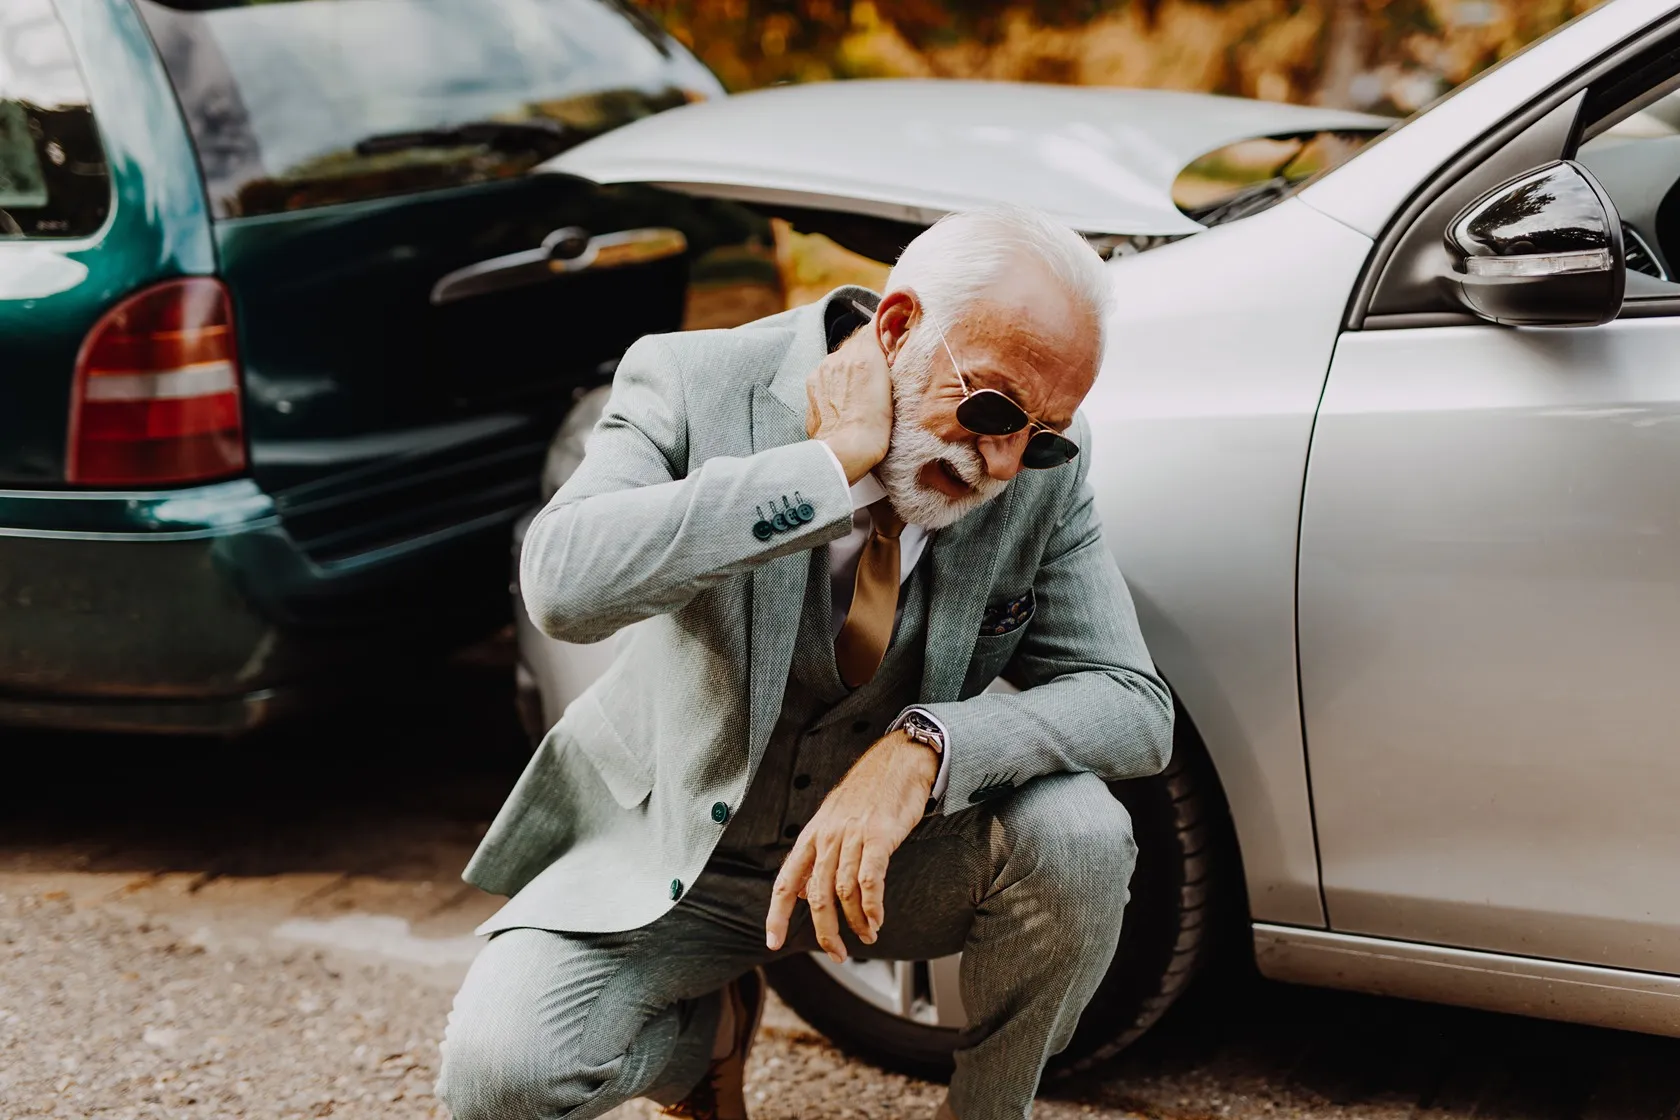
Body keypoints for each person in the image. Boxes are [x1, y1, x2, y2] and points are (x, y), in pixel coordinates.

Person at [435, 205, 1173, 1120]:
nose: (1003, 461)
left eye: (1044, 434)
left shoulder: (1040, 473)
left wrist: (926, 747)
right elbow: (563, 584)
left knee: (1082, 837)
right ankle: (703, 1040)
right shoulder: (692, 378)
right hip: (677, 855)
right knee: (497, 1084)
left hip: (897, 869)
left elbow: (1134, 705)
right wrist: (825, 466)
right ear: (898, 329)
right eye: (990, 407)